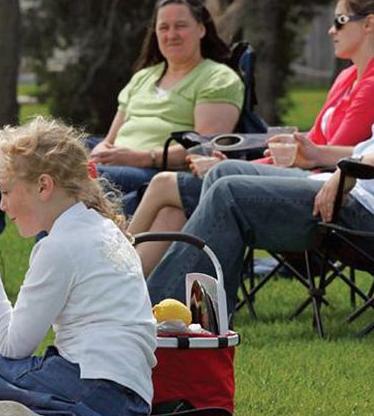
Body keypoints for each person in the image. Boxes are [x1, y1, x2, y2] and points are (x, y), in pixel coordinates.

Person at [0, 117, 157, 416]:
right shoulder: (104, 229)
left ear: (43, 185)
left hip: (86, 385)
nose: (2, 206)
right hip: (131, 401)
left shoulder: (59, 246)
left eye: (5, 192)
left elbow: (14, 345)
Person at [128, 0, 374, 276]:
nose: (331, 30)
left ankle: (130, 287)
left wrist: (316, 159)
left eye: (339, 21)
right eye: (163, 28)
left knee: (184, 185)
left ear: (369, 24)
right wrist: (291, 152)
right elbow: (318, 148)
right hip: (323, 181)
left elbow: (329, 157)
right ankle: (135, 291)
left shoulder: (371, 86)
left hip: (339, 198)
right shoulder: (346, 78)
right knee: (200, 189)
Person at [147, 122, 374, 314]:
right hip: (349, 185)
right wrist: (318, 154)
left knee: (228, 194)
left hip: (363, 209)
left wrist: (350, 170)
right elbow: (365, 150)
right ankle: (207, 308)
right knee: (223, 171)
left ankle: (165, 310)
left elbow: (364, 161)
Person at [89, 0, 243, 200]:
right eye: (164, 27)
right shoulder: (143, 77)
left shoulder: (218, 78)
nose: (171, 35)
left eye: (180, 26)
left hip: (160, 173)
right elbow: (109, 140)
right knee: (52, 165)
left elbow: (204, 148)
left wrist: (139, 158)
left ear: (201, 30)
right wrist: (99, 152)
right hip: (116, 164)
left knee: (75, 180)